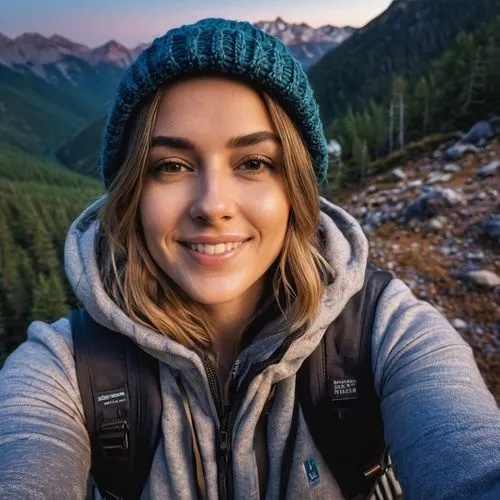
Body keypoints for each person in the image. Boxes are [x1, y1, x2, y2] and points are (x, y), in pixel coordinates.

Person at [0, 18, 499, 500]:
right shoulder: (64, 367)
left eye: (254, 163)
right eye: (170, 165)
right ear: (132, 192)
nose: (213, 205)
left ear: (295, 190)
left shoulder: (385, 333)